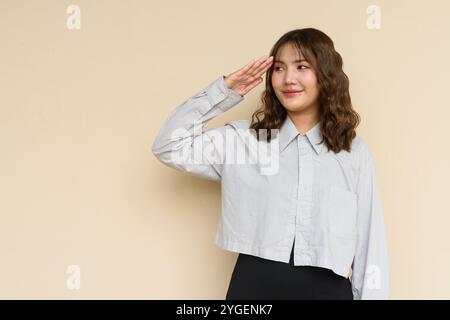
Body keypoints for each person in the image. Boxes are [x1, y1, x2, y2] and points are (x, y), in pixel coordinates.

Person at [152, 28, 389, 300]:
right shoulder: (246, 141)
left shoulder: (352, 151)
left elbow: (371, 246)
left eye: (302, 66)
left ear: (326, 75)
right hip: (254, 291)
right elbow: (169, 145)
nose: (289, 79)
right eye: (279, 68)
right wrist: (223, 92)